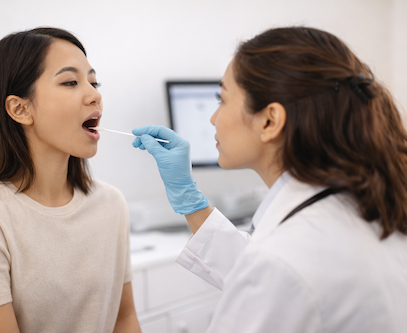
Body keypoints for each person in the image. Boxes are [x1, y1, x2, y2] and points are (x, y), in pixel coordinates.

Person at [132, 26, 407, 332]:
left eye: (221, 99)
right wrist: (189, 199)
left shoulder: (284, 259)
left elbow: (275, 273)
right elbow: (264, 274)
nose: (212, 118)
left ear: (270, 120)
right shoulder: (366, 207)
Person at [0, 27, 141, 333]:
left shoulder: (111, 203)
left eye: (94, 81)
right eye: (71, 82)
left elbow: (124, 319)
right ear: (20, 109)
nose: (95, 95)